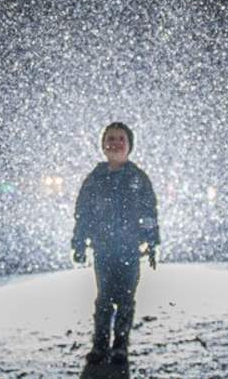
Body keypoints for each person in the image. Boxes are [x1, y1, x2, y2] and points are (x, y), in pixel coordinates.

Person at [71, 122, 160, 366]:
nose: (115, 142)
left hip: (130, 250)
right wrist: (79, 242)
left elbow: (149, 212)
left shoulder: (138, 178)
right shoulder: (95, 178)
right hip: (103, 249)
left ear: (129, 145)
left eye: (121, 138)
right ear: (103, 145)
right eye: (111, 138)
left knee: (126, 299)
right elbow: (83, 213)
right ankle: (100, 345)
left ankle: (120, 346)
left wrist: (152, 242)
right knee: (104, 298)